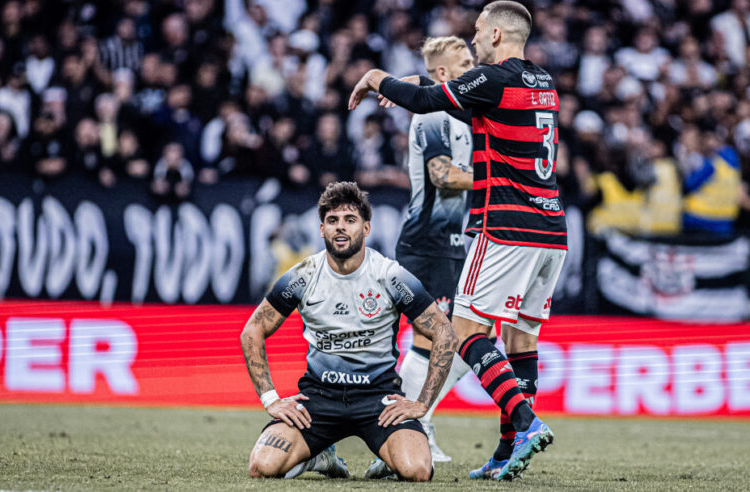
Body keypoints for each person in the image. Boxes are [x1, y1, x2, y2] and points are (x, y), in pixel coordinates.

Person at [349, 1, 566, 481]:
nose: (472, 37)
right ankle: (508, 450)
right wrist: (424, 85)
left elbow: (432, 103)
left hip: (506, 227)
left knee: (464, 332)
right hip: (552, 230)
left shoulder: (494, 79)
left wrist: (375, 77)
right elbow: (463, 107)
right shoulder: (544, 84)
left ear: (494, 34)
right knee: (520, 340)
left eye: (476, 30)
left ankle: (526, 425)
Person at [241, 181, 459, 482]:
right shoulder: (303, 276)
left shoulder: (389, 275)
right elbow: (252, 330)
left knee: (417, 470)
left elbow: (445, 332)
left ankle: (388, 460)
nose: (340, 228)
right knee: (262, 466)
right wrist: (271, 399)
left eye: (350, 220)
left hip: (378, 400)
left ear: (366, 228)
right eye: (332, 221)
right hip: (319, 398)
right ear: (322, 230)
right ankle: (321, 456)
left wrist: (422, 402)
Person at [369, 35, 476, 469]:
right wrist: (495, 177)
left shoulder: (458, 112)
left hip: (450, 243)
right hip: (427, 243)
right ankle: (414, 427)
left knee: (465, 341)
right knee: (436, 339)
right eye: (465, 61)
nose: (474, 64)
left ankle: (416, 420)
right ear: (445, 74)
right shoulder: (432, 116)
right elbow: (442, 175)